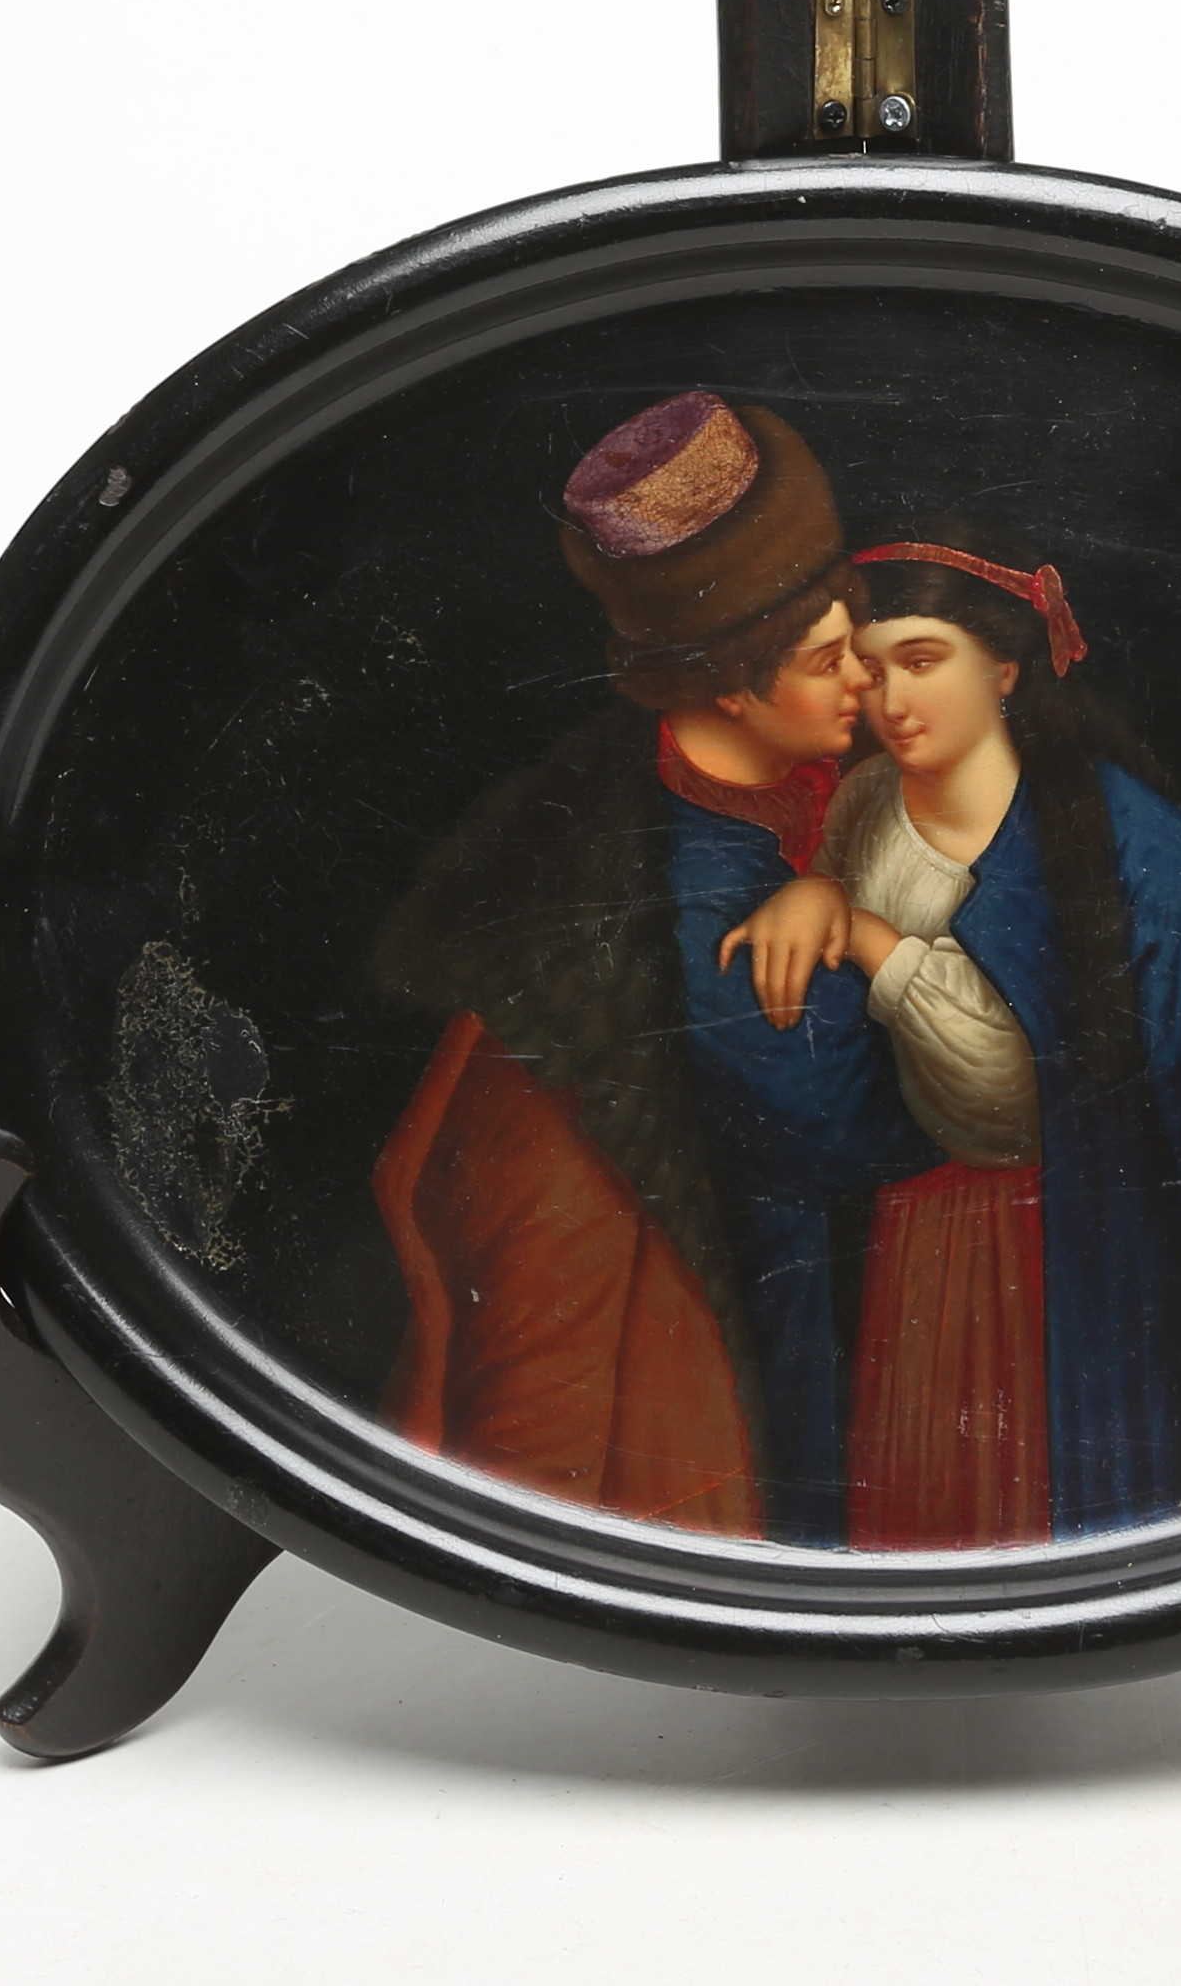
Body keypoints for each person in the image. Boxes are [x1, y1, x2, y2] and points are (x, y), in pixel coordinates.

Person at [721, 534, 1181, 1544]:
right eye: (869, 669)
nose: (890, 701)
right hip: (922, 1256)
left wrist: (866, 937)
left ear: (1004, 669)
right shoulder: (865, 806)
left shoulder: (1136, 852)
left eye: (922, 660)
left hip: (1091, 1267)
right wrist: (814, 893)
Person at [371, 394, 938, 1544]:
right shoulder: (702, 891)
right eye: (827, 661)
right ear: (731, 680)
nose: (865, 684)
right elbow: (840, 1127)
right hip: (772, 1325)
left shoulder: (809, 787)